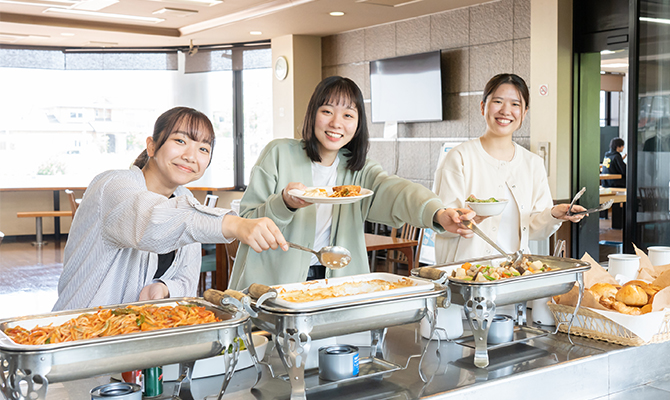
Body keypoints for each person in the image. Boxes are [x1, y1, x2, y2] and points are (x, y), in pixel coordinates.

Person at [228, 76, 474, 289]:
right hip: (273, 285)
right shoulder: (278, 153)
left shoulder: (358, 170)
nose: (336, 123)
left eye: (348, 115)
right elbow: (247, 221)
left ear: (357, 126)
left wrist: (438, 213)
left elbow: (395, 191)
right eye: (327, 111)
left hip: (337, 286)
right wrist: (284, 203)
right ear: (313, 113)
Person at [53, 107, 287, 311]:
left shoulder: (185, 199)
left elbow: (187, 276)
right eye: (180, 141)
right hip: (79, 332)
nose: (190, 156)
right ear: (152, 146)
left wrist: (164, 288)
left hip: (136, 340)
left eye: (203, 149)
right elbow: (151, 224)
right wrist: (234, 224)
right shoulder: (113, 186)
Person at [433, 73, 586, 263]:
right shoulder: (459, 157)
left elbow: (532, 229)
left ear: (524, 112)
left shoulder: (533, 164)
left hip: (514, 275)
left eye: (515, 104)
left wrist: (554, 214)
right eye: (498, 101)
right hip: (465, 276)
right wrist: (464, 221)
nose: (506, 111)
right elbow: (441, 225)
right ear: (483, 107)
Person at [602, 137, 626, 228]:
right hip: (616, 184)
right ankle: (618, 224)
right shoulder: (616, 156)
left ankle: (604, 216)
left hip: (606, 183)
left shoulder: (607, 155)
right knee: (618, 201)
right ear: (618, 147)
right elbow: (624, 170)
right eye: (622, 146)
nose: (623, 148)